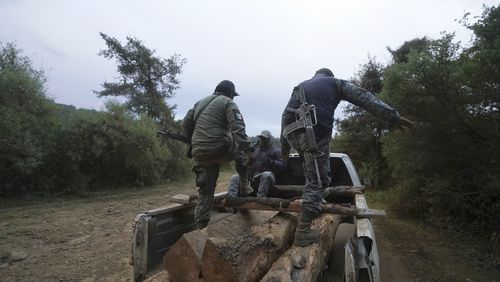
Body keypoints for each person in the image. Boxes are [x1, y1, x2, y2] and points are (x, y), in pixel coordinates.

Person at [281, 68, 414, 246]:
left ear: (316, 76)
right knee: (319, 180)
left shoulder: (299, 88)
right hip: (314, 132)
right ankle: (303, 231)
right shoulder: (335, 83)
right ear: (329, 75)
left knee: (312, 171)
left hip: (291, 133)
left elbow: (285, 115)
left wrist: (285, 148)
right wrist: (392, 117)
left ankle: (314, 202)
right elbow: (363, 97)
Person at [182, 80, 253, 229]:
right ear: (230, 93)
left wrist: (193, 142)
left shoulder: (199, 103)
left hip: (199, 152)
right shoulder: (228, 102)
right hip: (219, 147)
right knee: (240, 143)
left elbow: (186, 124)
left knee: (206, 191)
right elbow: (238, 128)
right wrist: (248, 152)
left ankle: (201, 227)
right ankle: (245, 184)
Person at [227, 130, 287, 198]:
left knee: (266, 174)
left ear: (269, 139)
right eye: (261, 138)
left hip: (268, 178)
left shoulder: (276, 151)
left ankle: (260, 198)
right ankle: (231, 200)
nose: (263, 140)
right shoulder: (254, 149)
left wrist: (272, 162)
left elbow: (283, 166)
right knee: (235, 177)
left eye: (265, 138)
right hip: (253, 176)